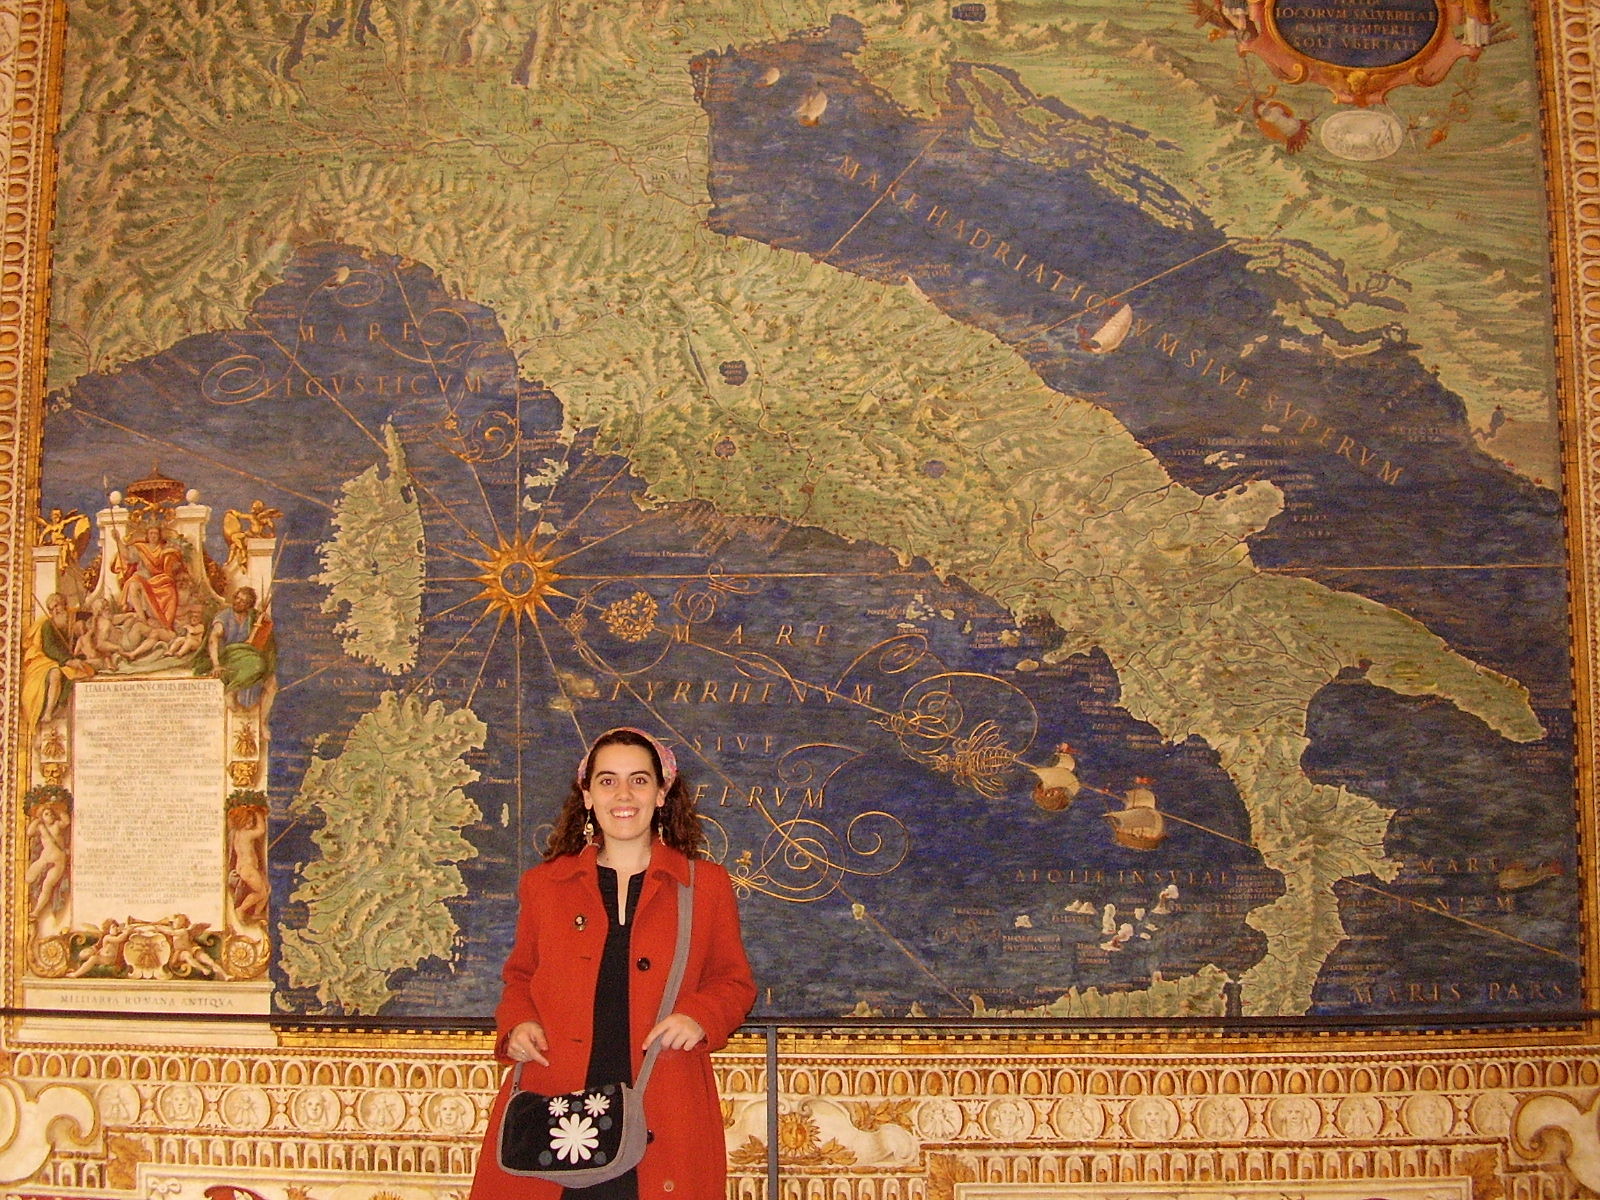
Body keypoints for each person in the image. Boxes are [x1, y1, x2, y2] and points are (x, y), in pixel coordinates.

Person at [470, 727, 756, 1200]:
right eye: (607, 781)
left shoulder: (704, 885)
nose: (623, 795)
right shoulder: (544, 885)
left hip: (662, 1102)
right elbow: (519, 978)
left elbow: (734, 982)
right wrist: (518, 1024)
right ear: (587, 795)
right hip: (555, 1105)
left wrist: (700, 1016)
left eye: (639, 780)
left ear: (661, 793)